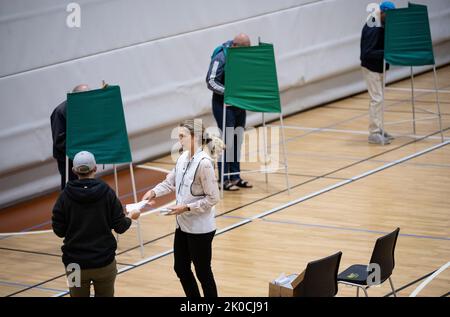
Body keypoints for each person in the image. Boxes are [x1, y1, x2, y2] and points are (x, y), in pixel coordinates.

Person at [142, 119, 221, 297]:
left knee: (203, 272)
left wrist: (186, 207)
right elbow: (170, 182)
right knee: (181, 268)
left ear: (194, 137)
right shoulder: (183, 158)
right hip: (182, 225)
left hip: (200, 228)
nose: (179, 140)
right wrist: (153, 192)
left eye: (182, 136)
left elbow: (213, 198)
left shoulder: (204, 163)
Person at [52, 150, 140, 297]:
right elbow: (120, 226)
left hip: (74, 265)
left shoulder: (64, 196)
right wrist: (131, 217)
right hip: (104, 262)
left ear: (74, 171)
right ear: (95, 168)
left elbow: (59, 230)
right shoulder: (107, 193)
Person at [206, 33, 253, 190]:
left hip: (239, 104)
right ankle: (222, 179)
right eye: (244, 49)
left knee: (237, 139)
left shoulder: (243, 56)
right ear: (234, 46)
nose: (247, 52)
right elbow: (211, 81)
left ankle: (235, 176)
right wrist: (229, 92)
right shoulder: (221, 57)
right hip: (223, 105)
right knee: (226, 142)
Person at [360, 1, 396, 145]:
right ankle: (374, 133)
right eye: (389, 16)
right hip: (371, 68)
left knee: (379, 99)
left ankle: (379, 129)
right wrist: (387, 52)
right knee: (377, 99)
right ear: (382, 13)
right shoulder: (372, 27)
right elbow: (367, 53)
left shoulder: (382, 23)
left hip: (380, 67)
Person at [50, 84, 90, 189]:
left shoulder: (83, 107)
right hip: (67, 158)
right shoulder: (60, 111)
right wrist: (79, 149)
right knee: (71, 186)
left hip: (82, 154)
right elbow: (59, 140)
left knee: (86, 184)